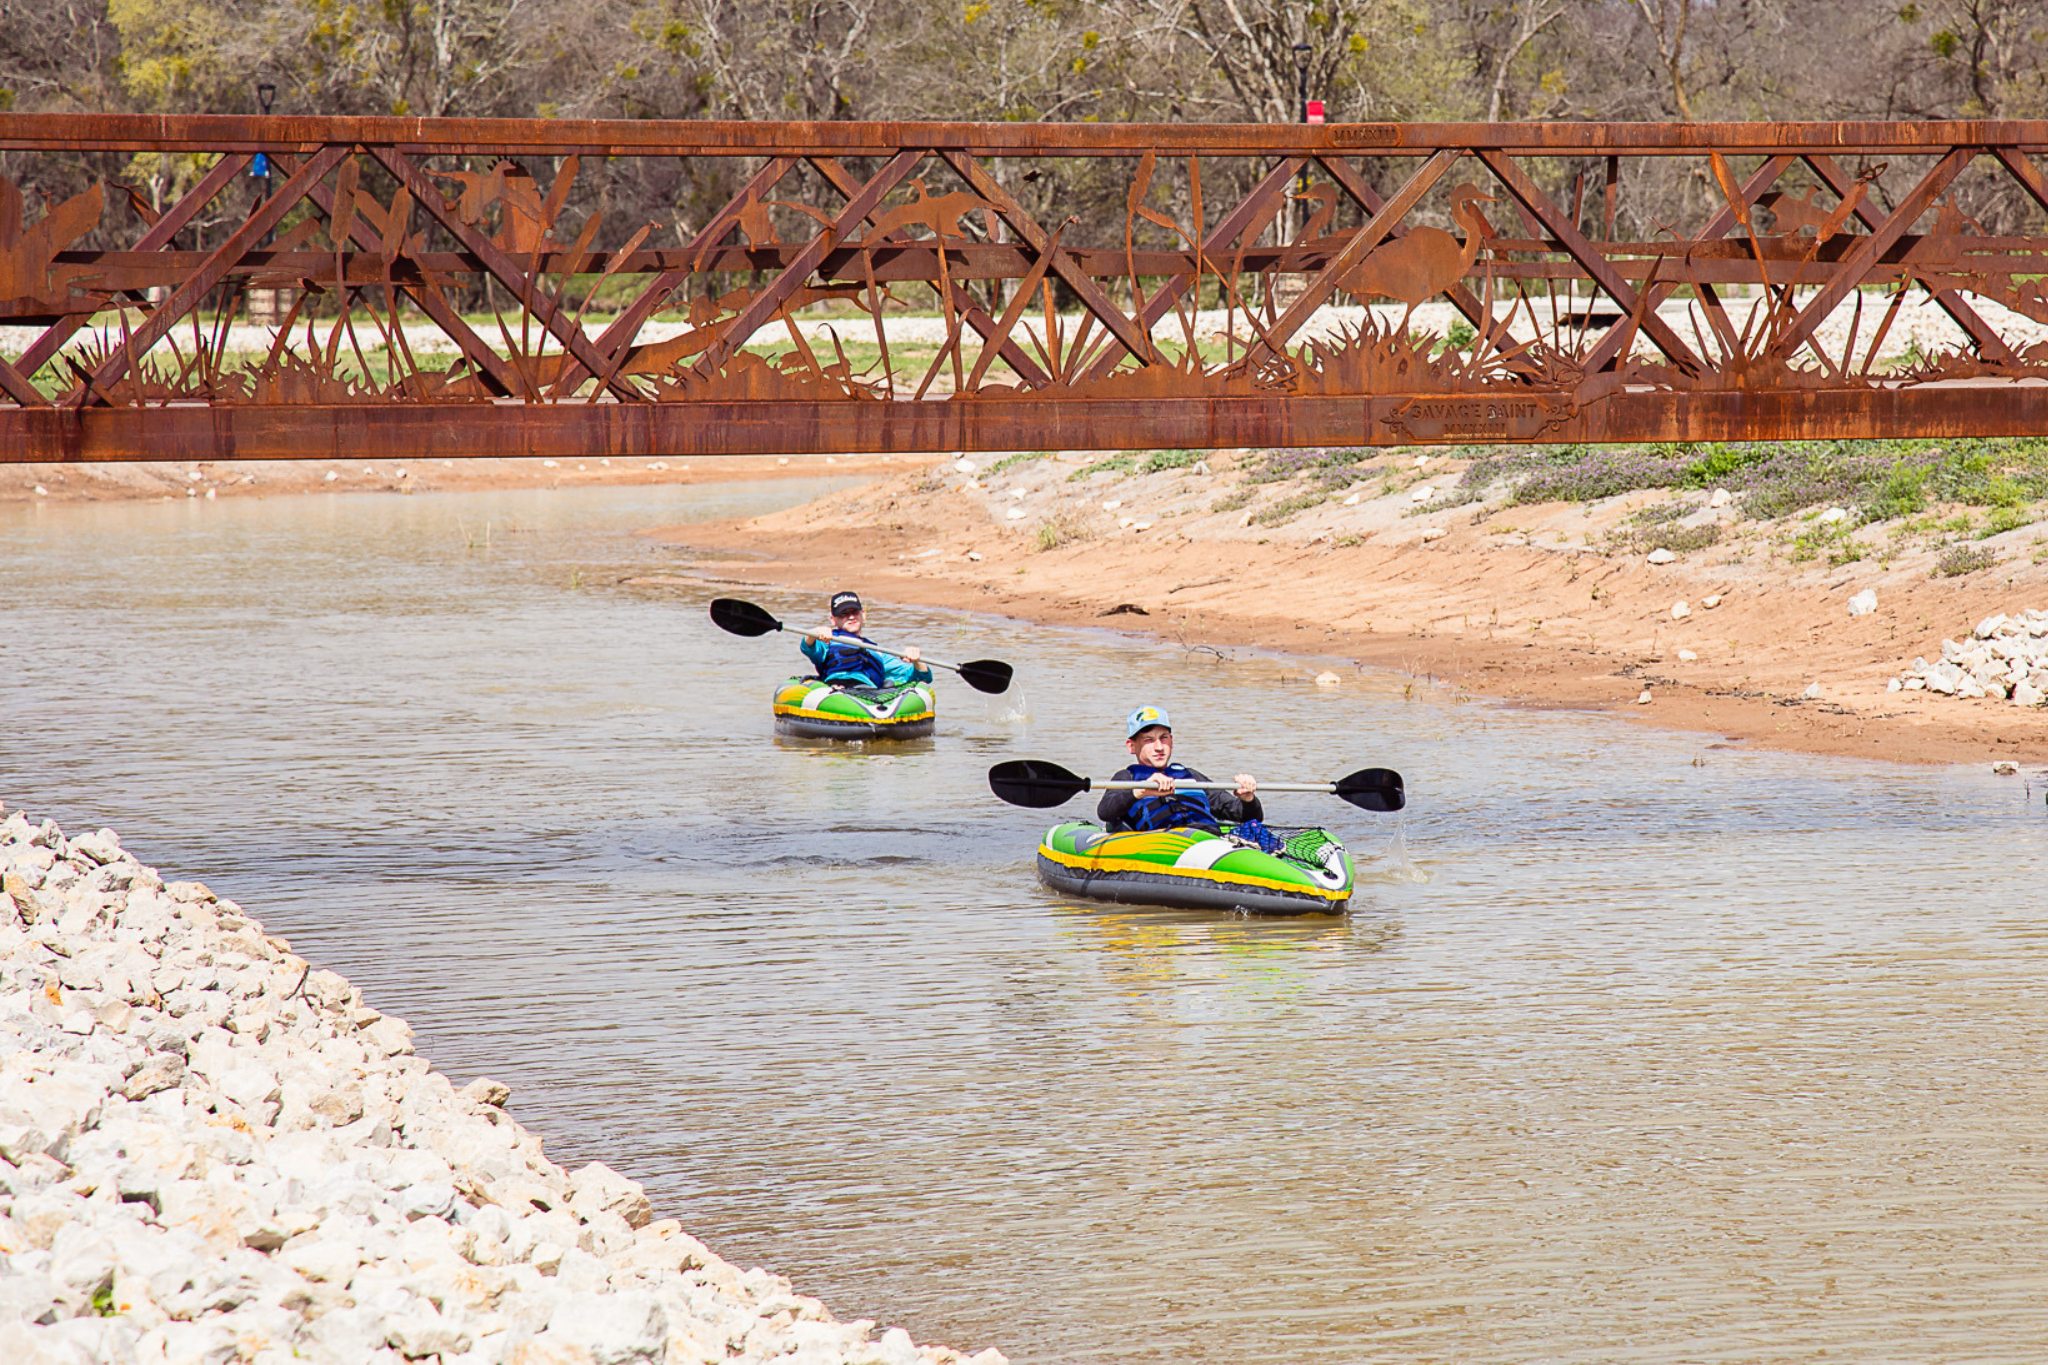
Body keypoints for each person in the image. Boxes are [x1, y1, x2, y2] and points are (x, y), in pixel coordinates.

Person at [1098, 706, 1263, 834]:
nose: (1159, 747)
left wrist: (1247, 799)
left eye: (1164, 738)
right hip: (1165, 843)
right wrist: (1139, 792)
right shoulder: (1127, 778)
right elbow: (1105, 811)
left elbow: (1245, 817)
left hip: (1207, 837)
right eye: (1148, 740)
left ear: (1171, 740)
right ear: (1131, 746)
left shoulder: (1191, 776)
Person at [800, 591, 932, 689]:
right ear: (833, 620)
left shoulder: (877, 652)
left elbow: (921, 677)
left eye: (855, 612)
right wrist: (815, 632)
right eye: (843, 614)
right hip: (837, 688)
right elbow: (807, 647)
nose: (851, 617)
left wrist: (916, 661)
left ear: (863, 615)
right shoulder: (827, 641)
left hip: (868, 694)